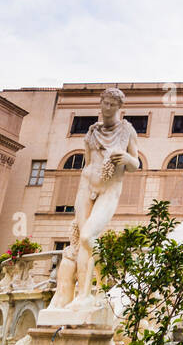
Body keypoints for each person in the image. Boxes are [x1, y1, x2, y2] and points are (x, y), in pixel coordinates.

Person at [49, 88, 140, 311]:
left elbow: (136, 164)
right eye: (104, 103)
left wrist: (127, 157)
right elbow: (89, 162)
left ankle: (103, 278)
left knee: (89, 236)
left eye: (111, 105)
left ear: (120, 108)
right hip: (86, 186)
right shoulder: (91, 132)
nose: (106, 108)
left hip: (110, 190)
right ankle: (83, 295)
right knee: (81, 242)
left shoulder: (127, 131)